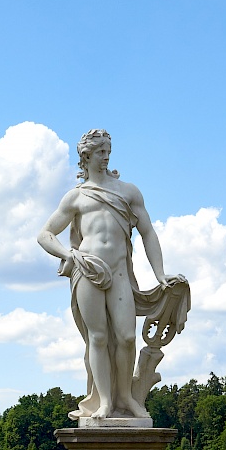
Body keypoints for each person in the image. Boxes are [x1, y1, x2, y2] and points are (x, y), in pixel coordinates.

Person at [38, 129, 188, 420]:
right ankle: (105, 402)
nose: (106, 157)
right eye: (100, 152)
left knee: (126, 337)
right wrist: (69, 255)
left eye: (109, 151)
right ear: (87, 156)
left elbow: (148, 233)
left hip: (120, 272)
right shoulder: (76, 197)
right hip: (88, 271)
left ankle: (126, 398)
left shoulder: (128, 191)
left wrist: (160, 274)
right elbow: (44, 235)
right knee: (98, 338)